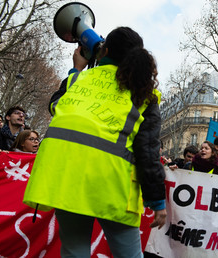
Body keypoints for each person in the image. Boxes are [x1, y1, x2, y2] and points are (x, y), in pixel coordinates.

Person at [23, 27, 166, 257]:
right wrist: (157, 200)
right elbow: (147, 151)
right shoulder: (143, 94)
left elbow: (56, 106)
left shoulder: (77, 79)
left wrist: (76, 68)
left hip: (64, 178)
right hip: (112, 186)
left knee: (74, 251)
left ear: (104, 51)